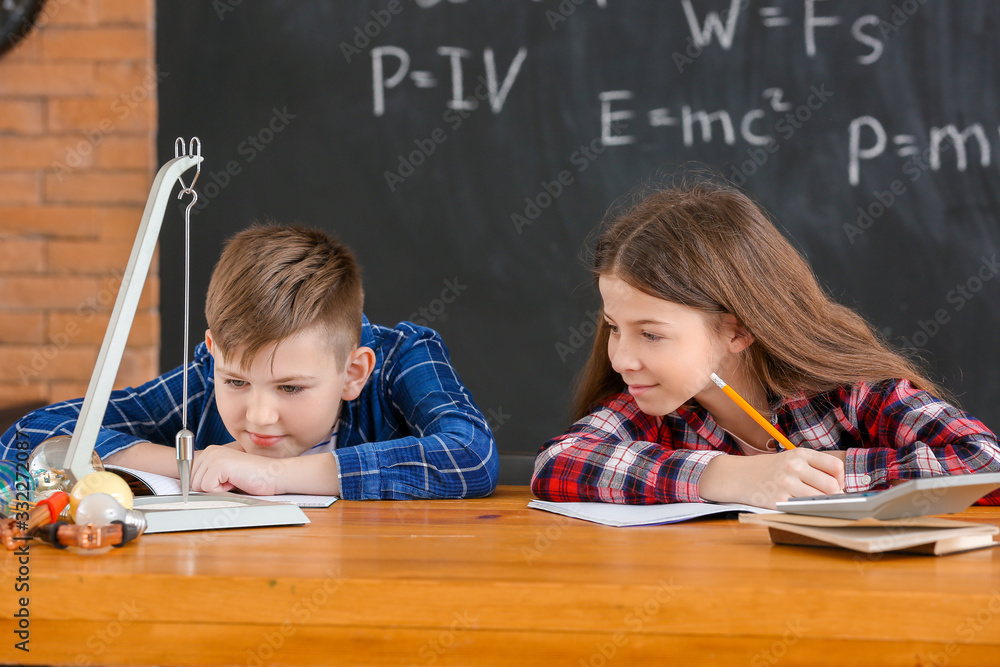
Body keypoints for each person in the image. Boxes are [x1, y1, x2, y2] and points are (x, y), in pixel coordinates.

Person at [531, 177, 1000, 508]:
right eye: (615, 327)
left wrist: (821, 477)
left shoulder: (851, 395)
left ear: (737, 330)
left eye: (651, 334)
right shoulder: (660, 410)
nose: (622, 360)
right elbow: (558, 462)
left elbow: (985, 463)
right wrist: (727, 476)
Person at [2, 224, 498, 500]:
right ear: (215, 351)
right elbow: (27, 437)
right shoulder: (208, 372)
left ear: (354, 373)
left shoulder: (401, 358)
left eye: (290, 389)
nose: (259, 416)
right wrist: (190, 464)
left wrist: (274, 477)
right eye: (237, 382)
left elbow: (471, 455)